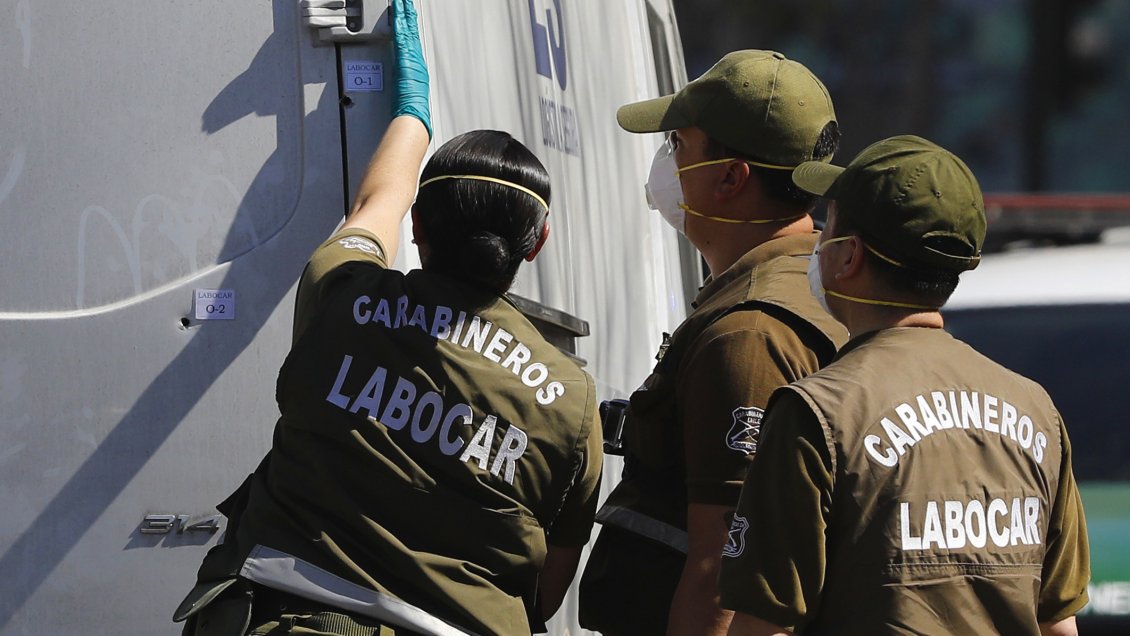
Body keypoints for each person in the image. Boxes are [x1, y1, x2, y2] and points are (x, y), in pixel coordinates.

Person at [171, 1, 603, 634]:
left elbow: (376, 205)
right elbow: (548, 587)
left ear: (419, 226)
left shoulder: (343, 294)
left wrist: (411, 111)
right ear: (534, 244)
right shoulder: (571, 399)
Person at [719, 135, 1091, 636]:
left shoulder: (817, 412)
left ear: (847, 256)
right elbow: (1057, 624)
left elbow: (764, 626)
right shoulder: (1035, 411)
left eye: (829, 227)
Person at [578, 50, 849, 636]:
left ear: (730, 177)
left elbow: (725, 564)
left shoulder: (751, 331)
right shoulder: (820, 288)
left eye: (677, 144)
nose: (665, 161)